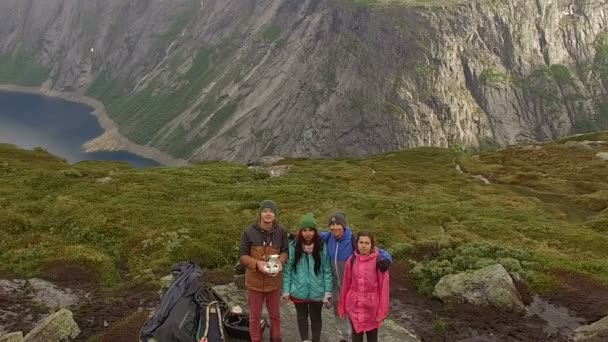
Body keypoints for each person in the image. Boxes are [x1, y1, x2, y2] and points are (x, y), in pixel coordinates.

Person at [320, 212, 392, 342]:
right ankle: (344, 336)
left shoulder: (353, 239)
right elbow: (312, 234)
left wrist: (386, 258)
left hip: (363, 296)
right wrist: (293, 236)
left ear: (344, 225)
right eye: (332, 225)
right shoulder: (329, 237)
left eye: (338, 225)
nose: (335, 228)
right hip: (339, 285)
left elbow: (376, 250)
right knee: (341, 314)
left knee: (370, 334)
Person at [239, 200, 289, 342]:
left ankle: (276, 338)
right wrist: (257, 263)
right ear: (260, 214)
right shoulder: (249, 232)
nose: (268, 214)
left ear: (275, 214)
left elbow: (285, 251)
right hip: (254, 283)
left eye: (271, 211)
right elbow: (242, 256)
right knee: (254, 316)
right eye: (265, 211)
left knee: (275, 315)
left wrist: (280, 262)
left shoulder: (281, 231)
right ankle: (256, 339)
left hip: (274, 282)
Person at [282, 213, 333, 342]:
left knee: (316, 318)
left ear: (315, 231)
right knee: (301, 317)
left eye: (310, 230)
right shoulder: (293, 246)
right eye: (304, 230)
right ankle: (304, 339)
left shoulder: (322, 247)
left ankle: (316, 339)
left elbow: (327, 270)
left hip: (317, 291)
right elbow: (287, 270)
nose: (308, 233)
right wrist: (286, 290)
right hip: (298, 290)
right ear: (300, 231)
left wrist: (328, 291)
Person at [338, 231, 390, 342]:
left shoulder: (379, 261)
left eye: (367, 243)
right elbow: (346, 285)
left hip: (372, 308)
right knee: (356, 338)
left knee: (372, 338)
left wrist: (382, 312)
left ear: (372, 244)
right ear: (356, 243)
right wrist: (342, 307)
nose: (364, 245)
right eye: (361, 242)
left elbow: (384, 289)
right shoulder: (351, 260)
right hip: (354, 306)